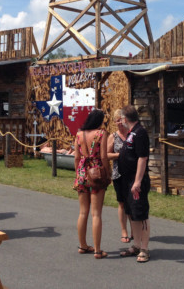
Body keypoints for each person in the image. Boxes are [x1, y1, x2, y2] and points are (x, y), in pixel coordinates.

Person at [73, 109, 110, 259]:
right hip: (96, 173)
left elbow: (76, 157)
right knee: (96, 214)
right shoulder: (101, 133)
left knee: (83, 212)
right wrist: (107, 174)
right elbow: (104, 156)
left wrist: (78, 173)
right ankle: (97, 250)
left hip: (82, 172)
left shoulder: (79, 134)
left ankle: (82, 245)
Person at [117, 105, 151, 263]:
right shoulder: (131, 133)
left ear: (125, 119)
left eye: (121, 118)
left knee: (141, 214)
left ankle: (144, 248)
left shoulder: (140, 132)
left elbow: (142, 158)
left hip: (137, 180)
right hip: (126, 179)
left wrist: (137, 181)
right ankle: (136, 245)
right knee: (132, 214)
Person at [107, 108, 132, 244]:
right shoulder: (113, 137)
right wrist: (120, 155)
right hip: (118, 174)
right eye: (117, 121)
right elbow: (106, 154)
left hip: (132, 173)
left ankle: (135, 230)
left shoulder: (131, 134)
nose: (120, 123)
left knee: (132, 203)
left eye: (122, 120)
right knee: (122, 203)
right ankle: (124, 231)